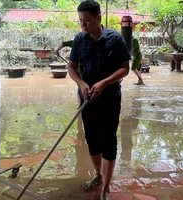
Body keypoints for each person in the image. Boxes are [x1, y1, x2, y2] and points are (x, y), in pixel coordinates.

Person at [67, 1, 130, 199]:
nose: (83, 25)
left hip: (110, 98)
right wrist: (81, 84)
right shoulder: (79, 39)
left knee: (108, 140)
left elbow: (124, 68)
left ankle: (106, 187)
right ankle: (98, 175)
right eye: (80, 21)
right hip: (87, 99)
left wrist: (103, 83)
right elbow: (71, 67)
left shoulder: (115, 39)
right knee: (92, 139)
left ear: (99, 18)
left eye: (87, 21)